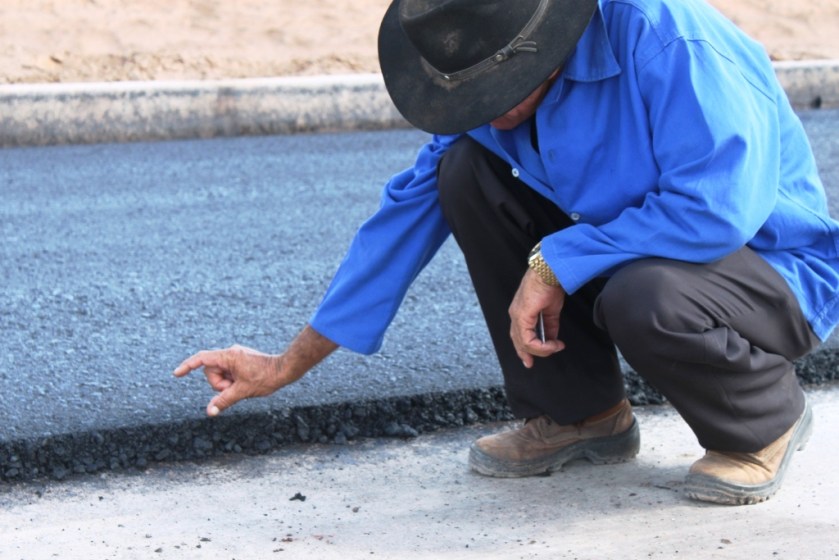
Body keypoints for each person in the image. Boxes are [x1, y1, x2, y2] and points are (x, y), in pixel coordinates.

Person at [174, 0, 839, 505]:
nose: (483, 111)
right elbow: (398, 225)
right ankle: (582, 415)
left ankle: (760, 423)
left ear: (546, 43)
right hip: (635, 255)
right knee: (463, 171)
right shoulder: (483, 75)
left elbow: (718, 208)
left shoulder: (666, 39)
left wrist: (557, 259)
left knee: (643, 296)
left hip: (766, 272)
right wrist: (287, 362)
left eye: (497, 90)